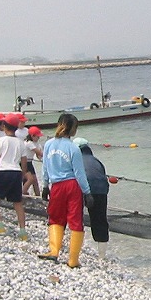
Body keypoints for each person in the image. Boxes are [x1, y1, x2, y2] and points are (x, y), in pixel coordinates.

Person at [38, 113, 92, 268]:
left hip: (56, 186)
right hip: (72, 186)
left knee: (55, 218)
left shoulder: (48, 144)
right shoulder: (73, 148)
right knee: (75, 220)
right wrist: (87, 192)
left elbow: (45, 167)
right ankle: (73, 260)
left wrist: (45, 185)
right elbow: (79, 174)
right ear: (73, 129)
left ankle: (54, 252)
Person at [0, 114, 27, 240]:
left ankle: (0, 224)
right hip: (16, 172)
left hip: (4, 171)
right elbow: (24, 162)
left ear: (4, 126)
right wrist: (22, 176)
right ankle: (22, 231)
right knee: (17, 203)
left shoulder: (0, 141)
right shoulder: (21, 143)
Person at [73, 137, 111, 259]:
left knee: (76, 217)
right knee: (100, 220)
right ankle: (102, 255)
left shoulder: (75, 159)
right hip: (101, 190)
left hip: (83, 189)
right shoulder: (96, 161)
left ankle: (74, 248)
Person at [22, 126, 44, 195]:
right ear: (32, 136)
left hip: (30, 162)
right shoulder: (28, 143)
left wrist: (43, 160)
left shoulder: (36, 143)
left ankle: (38, 195)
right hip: (24, 163)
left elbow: (39, 156)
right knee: (30, 179)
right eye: (37, 136)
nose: (39, 138)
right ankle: (23, 193)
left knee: (35, 181)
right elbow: (39, 152)